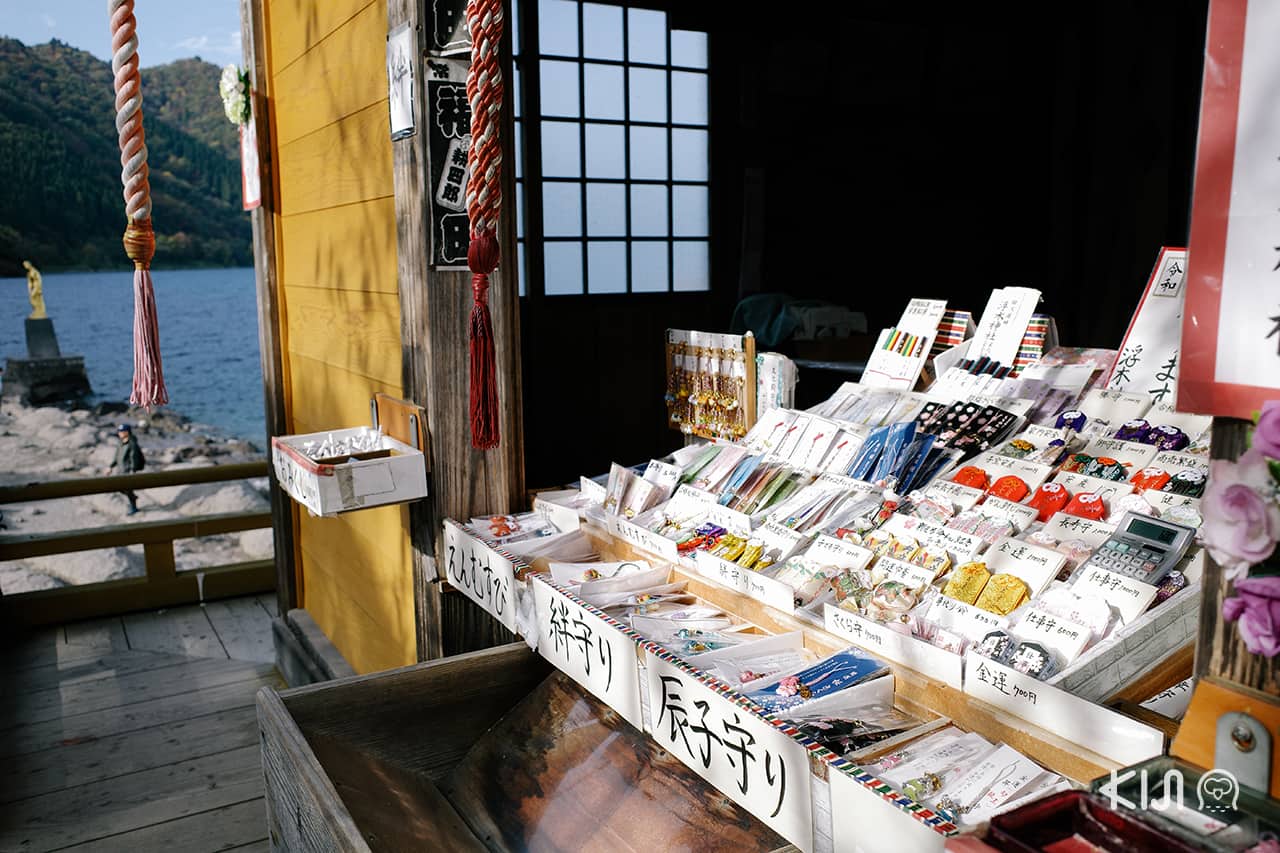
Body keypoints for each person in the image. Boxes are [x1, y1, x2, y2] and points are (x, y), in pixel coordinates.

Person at [109, 424, 146, 514]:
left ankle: (133, 507)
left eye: (121, 432)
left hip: (127, 471)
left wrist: (133, 470)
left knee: (127, 489)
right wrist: (110, 466)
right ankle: (133, 498)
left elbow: (134, 458)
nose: (119, 433)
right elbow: (116, 456)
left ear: (127, 432)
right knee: (118, 487)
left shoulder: (132, 444)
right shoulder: (120, 443)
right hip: (120, 470)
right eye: (119, 431)